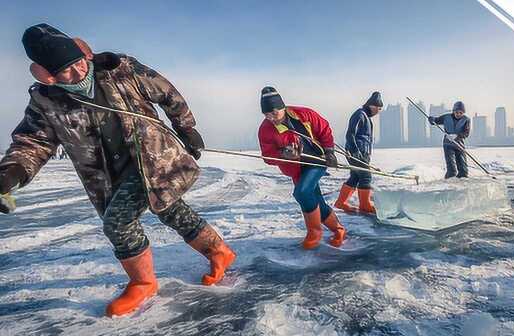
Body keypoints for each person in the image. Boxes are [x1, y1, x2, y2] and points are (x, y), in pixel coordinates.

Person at [0, 24, 236, 317]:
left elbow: (166, 92)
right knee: (170, 209)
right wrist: (10, 173)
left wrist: (186, 127)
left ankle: (143, 282)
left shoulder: (120, 69)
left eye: (77, 63)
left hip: (153, 159)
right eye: (65, 71)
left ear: (84, 53)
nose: (77, 73)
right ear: (47, 75)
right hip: (107, 175)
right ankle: (220, 252)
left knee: (118, 223)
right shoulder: (46, 102)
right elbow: (32, 142)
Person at [257, 86, 346, 249]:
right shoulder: (265, 130)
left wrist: (330, 152)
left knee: (302, 192)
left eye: (274, 112)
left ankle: (314, 232)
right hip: (295, 168)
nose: (271, 118)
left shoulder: (304, 114)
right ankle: (338, 229)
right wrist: (284, 155)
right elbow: (267, 156)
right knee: (315, 199)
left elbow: (324, 129)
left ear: (282, 107)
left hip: (316, 160)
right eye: (266, 114)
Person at [334, 91, 383, 214]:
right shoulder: (360, 114)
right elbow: (350, 133)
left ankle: (341, 202)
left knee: (356, 176)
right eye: (378, 108)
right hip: (356, 152)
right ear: (372, 106)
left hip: (363, 153)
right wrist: (355, 151)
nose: (379, 111)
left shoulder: (366, 117)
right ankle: (365, 205)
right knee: (366, 176)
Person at [427, 101, 471, 178]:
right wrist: (431, 119)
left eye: (461, 113)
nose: (458, 114)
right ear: (453, 111)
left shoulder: (466, 120)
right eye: (457, 112)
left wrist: (457, 136)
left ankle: (461, 184)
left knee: (463, 171)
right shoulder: (446, 117)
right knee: (452, 171)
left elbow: (466, 133)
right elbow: (436, 121)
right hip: (448, 145)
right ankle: (448, 184)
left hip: (459, 145)